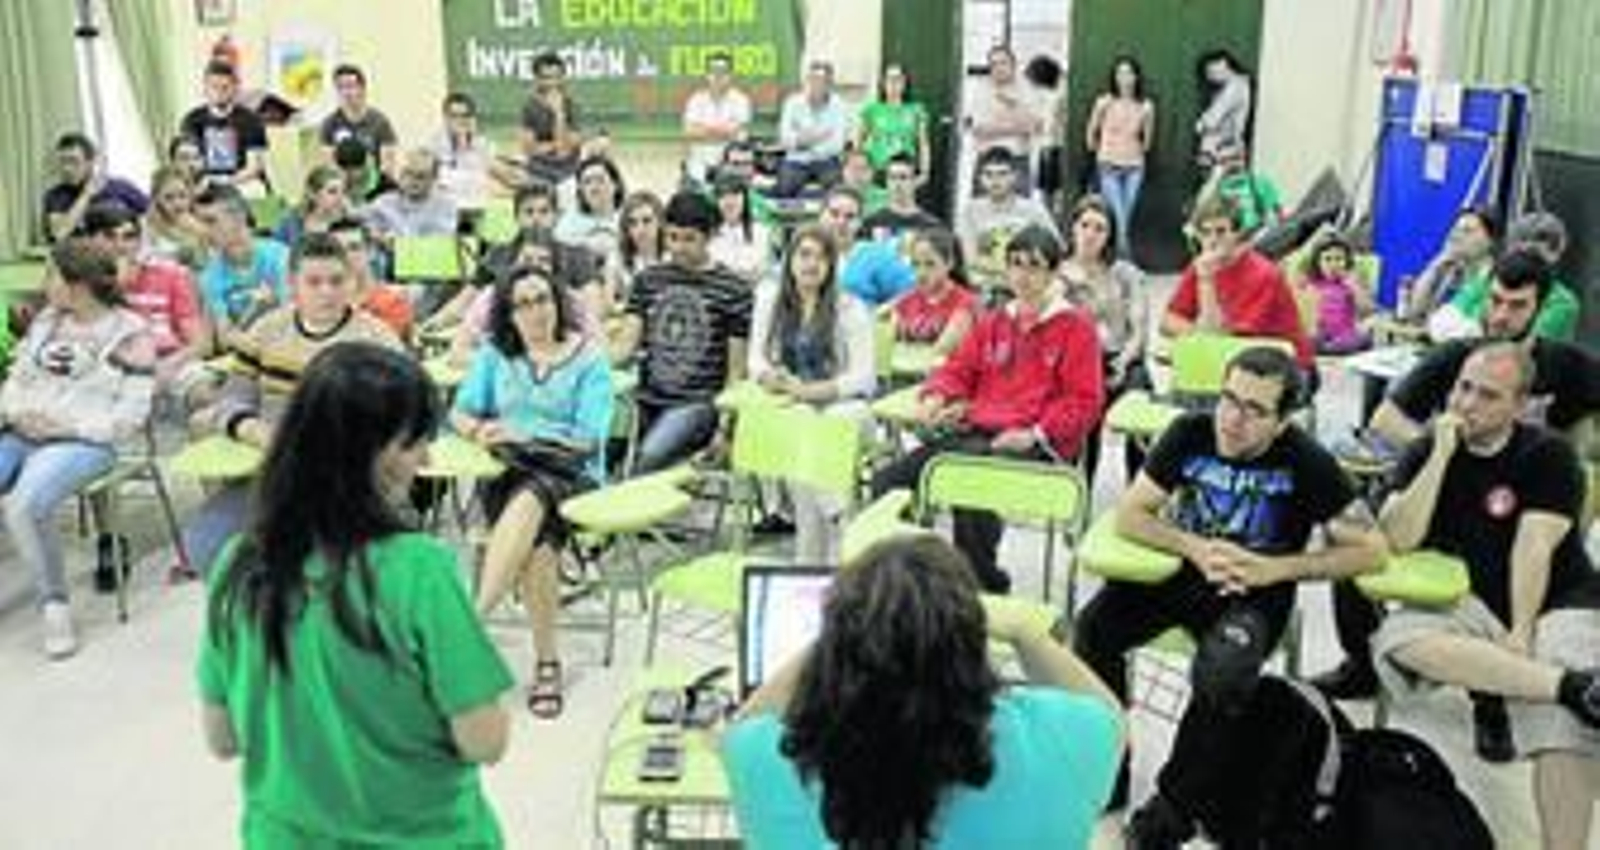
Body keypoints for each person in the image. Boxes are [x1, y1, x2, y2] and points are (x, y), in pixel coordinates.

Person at [197, 342, 513, 847]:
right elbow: (484, 740)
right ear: (365, 453)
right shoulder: (418, 571)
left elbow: (223, 738)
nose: (426, 457)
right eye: (412, 443)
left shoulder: (237, 567)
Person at [1071, 347, 1385, 845]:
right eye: (1228, 400)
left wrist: (1278, 568)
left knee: (1224, 671)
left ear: (1283, 421)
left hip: (1254, 590)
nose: (1233, 420)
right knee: (1092, 630)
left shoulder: (1306, 460)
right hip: (1182, 570)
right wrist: (1191, 545)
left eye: (1254, 410)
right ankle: (1112, 763)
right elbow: (1132, 513)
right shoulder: (1190, 433)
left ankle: (1175, 806)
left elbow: (1371, 551)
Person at [1316, 249, 1600, 701]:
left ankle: (1494, 695)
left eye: (1516, 305)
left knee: (1523, 563)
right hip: (1445, 489)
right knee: (1353, 535)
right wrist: (1440, 455)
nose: (1500, 315)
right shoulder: (1455, 358)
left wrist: (1581, 466)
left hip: (1529, 500)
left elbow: (1584, 431)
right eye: (1495, 301)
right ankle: (1361, 662)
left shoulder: (1567, 370)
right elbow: (1385, 418)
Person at [723, 534, 1124, 849]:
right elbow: (1109, 716)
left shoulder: (767, 760)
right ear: (972, 641)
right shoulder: (1061, 742)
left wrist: (851, 629)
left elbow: (747, 723)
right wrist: (1022, 631)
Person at [1371, 342, 1600, 850]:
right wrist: (1439, 456)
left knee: (1562, 728)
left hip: (1557, 600)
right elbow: (1397, 538)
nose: (1467, 404)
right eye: (1463, 388)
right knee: (1395, 639)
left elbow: (1533, 548)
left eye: (1488, 396)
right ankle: (1570, 685)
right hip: (1468, 599)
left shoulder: (1547, 454)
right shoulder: (1429, 446)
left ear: (1520, 406)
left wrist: (1520, 632)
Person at [870, 225, 1104, 592]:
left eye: (1034, 266)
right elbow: (958, 368)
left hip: (1038, 446)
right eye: (1015, 264)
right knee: (887, 482)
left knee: (966, 478)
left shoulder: (1076, 327)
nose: (1023, 276)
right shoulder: (997, 320)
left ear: (1053, 272)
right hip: (980, 434)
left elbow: (1084, 403)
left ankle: (981, 584)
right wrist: (937, 395)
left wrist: (1035, 434)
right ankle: (906, 580)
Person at [183, 234, 402, 576]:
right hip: (273, 473)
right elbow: (232, 400)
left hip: (347, 481)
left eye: (336, 281)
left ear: (353, 282)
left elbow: (398, 419)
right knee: (207, 545)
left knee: (315, 559)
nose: (326, 292)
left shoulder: (377, 340)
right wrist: (255, 431)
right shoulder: (267, 330)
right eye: (314, 282)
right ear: (292, 284)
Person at [454, 266, 612, 720]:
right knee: (540, 548)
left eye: (542, 299)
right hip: (508, 470)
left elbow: (586, 438)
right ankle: (547, 664)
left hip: (571, 473)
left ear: (558, 302)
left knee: (533, 500)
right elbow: (460, 413)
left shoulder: (589, 360)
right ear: (508, 313)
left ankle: (470, 624)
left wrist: (523, 431)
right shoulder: (495, 355)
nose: (535, 311)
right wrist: (481, 429)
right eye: (522, 304)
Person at [0, 239, 156, 658]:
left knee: (24, 504)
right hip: (23, 430)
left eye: (51, 274)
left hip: (83, 440)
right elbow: (16, 380)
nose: (44, 283)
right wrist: (16, 413)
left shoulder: (131, 334)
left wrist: (66, 425)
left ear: (77, 285)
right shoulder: (46, 321)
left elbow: (131, 416)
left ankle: (54, 605)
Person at [749, 226, 877, 561]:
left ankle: (832, 524)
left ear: (833, 265)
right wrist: (770, 376)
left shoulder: (851, 308)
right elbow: (755, 360)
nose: (811, 264)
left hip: (847, 409)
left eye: (822, 257)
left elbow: (865, 378)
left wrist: (814, 390)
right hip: (796, 408)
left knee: (821, 427)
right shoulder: (769, 299)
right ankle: (840, 524)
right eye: (804, 254)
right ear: (789, 259)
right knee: (802, 433)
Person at [613, 191, 752, 473]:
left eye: (689, 239)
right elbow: (624, 347)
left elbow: (736, 373)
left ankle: (632, 513)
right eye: (672, 237)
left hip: (698, 404)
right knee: (595, 450)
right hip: (645, 397)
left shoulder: (735, 290)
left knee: (646, 460)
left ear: (710, 235)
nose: (678, 247)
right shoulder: (648, 280)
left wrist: (726, 430)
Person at [1162, 193, 1314, 372]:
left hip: (1289, 368)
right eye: (1205, 232)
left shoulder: (1263, 275)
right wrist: (1198, 333)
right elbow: (1168, 321)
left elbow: (1218, 338)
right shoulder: (1201, 266)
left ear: (1237, 233)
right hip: (1242, 360)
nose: (1212, 240)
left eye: (1221, 231)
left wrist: (1207, 282)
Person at [1059, 194, 1148, 485]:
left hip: (1121, 357)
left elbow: (1139, 329)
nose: (1090, 235)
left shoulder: (1125, 273)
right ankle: (1079, 488)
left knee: (1140, 395)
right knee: (1085, 415)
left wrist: (1123, 361)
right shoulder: (1056, 274)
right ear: (1072, 227)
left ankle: (1138, 486)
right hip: (1078, 364)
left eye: (1100, 228)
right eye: (1085, 225)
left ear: (1110, 235)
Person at [81, 203, 207, 393]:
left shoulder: (170, 274)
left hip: (168, 358)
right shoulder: (80, 283)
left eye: (129, 237)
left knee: (200, 384)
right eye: (109, 236)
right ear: (90, 242)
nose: (120, 246)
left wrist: (170, 364)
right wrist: (115, 286)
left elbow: (199, 343)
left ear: (140, 241)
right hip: (107, 366)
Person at [1433, 212, 1582, 343]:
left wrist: (1470, 330)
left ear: (1556, 254)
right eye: (1521, 250)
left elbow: (1516, 349)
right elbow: (1440, 324)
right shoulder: (1487, 279)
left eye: (1537, 254)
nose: (1528, 260)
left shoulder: (1563, 303)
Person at [193, 184, 291, 351]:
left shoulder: (280, 257)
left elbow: (292, 317)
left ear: (239, 218)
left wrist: (242, 336)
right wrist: (254, 309)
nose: (202, 230)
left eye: (210, 221)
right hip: (250, 355)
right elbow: (224, 338)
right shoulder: (209, 276)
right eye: (200, 222)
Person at [956, 147, 1059, 289]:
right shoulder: (970, 211)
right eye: (989, 174)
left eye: (1002, 174)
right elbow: (970, 261)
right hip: (985, 288)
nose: (995, 180)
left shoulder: (1034, 210)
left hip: (1029, 288)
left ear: (1014, 177)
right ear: (980, 179)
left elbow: (1056, 252)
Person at [1085, 56, 1155, 257]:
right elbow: (1091, 134)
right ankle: (1125, 261)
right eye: (1120, 73)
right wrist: (1103, 151)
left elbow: (1147, 142)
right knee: (1118, 216)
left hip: (1134, 166)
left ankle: (1114, 259)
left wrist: (1134, 145)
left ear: (1136, 77)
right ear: (1114, 77)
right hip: (1108, 165)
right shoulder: (1104, 102)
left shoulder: (1146, 106)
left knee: (1126, 217)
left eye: (1129, 73)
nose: (1124, 78)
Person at [40, 132, 148, 243]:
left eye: (73, 161)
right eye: (63, 162)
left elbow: (152, 213)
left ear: (90, 162)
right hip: (80, 257)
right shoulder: (56, 195)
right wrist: (86, 194)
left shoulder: (119, 187)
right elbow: (59, 233)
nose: (67, 169)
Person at [178, 60, 269, 188]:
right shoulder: (191, 120)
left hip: (242, 181)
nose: (219, 92)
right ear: (205, 88)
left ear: (235, 88)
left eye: (225, 87)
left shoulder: (252, 120)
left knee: (255, 189)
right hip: (204, 180)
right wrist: (205, 180)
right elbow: (187, 161)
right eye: (214, 86)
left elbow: (255, 167)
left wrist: (225, 182)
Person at [821, 187, 916, 308]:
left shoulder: (877, 256)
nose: (841, 222)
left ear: (860, 223)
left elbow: (912, 292)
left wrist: (881, 313)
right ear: (821, 215)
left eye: (850, 217)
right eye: (834, 214)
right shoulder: (804, 253)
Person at [892, 227, 979, 356]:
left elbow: (939, 352)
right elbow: (886, 343)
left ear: (949, 263)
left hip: (946, 374)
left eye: (930, 264)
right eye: (915, 264)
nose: (921, 273)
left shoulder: (965, 303)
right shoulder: (906, 300)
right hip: (906, 372)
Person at [1402, 206, 1497, 323]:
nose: (1457, 236)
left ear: (1490, 240)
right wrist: (1436, 264)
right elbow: (1414, 311)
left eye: (1468, 231)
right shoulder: (1450, 270)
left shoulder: (1493, 279)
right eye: (1456, 230)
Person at [967, 44, 1045, 187]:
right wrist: (1017, 127)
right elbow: (979, 130)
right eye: (993, 64)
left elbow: (1037, 126)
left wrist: (1014, 105)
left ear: (1013, 65)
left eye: (1003, 62)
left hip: (1017, 160)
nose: (998, 68)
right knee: (981, 208)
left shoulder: (1027, 89)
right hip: (986, 161)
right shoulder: (981, 90)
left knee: (1021, 208)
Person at [328, 217, 414, 342]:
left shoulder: (393, 302)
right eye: (336, 250)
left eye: (354, 248)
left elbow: (382, 354)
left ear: (370, 252)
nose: (345, 256)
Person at [776, 60, 850, 198]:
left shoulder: (839, 106)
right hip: (796, 159)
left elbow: (837, 144)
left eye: (821, 80)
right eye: (812, 79)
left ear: (829, 84)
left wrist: (803, 141)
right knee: (784, 188)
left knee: (836, 190)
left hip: (826, 160)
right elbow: (785, 138)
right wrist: (818, 138)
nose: (815, 84)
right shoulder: (792, 103)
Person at [1292, 233, 1373, 355]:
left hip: (1343, 334)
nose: (1333, 264)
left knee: (1364, 339)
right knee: (1307, 339)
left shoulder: (1349, 283)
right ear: (1318, 262)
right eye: (1327, 259)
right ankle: (1323, 347)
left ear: (1347, 261)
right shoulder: (1312, 283)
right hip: (1320, 334)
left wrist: (1353, 286)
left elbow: (1366, 308)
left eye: (1339, 259)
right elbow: (1300, 307)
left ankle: (1328, 348)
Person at [512, 51, 584, 188]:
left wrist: (558, 113)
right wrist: (557, 144)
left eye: (557, 77)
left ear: (563, 78)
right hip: (539, 170)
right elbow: (528, 149)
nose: (552, 83)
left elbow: (564, 152)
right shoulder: (530, 107)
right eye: (546, 78)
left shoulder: (572, 106)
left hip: (569, 170)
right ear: (537, 80)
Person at [681, 51, 753, 185]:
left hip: (731, 164)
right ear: (706, 75)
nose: (717, 76)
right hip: (700, 162)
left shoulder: (741, 100)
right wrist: (723, 130)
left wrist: (704, 129)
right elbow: (689, 132)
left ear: (730, 75)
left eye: (723, 71)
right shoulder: (696, 100)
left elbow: (734, 133)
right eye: (713, 71)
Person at [317, 63, 399, 178]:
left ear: (362, 88)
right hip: (343, 186)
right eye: (340, 87)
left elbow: (387, 166)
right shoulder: (329, 123)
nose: (346, 92)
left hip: (374, 184)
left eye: (350, 86)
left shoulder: (380, 122)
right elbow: (328, 165)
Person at [365, 148, 460, 244]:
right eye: (408, 173)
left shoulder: (445, 206)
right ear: (401, 175)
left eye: (420, 176)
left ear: (434, 178)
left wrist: (396, 241)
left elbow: (439, 242)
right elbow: (368, 230)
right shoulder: (384, 203)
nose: (413, 181)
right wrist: (374, 235)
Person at [855, 62, 931, 178]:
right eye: (889, 79)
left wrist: (924, 172)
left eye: (898, 79)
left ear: (905, 83)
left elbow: (923, 144)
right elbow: (859, 142)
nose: (893, 84)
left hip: (904, 172)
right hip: (877, 170)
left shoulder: (916, 110)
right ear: (883, 83)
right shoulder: (872, 110)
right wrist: (859, 170)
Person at [429, 92, 498, 203]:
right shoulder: (434, 146)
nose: (460, 120)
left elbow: (498, 178)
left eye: (465, 115)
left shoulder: (483, 145)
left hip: (475, 207)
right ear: (445, 118)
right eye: (454, 116)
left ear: (473, 118)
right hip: (445, 209)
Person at [554, 155, 625, 259]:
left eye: (600, 180)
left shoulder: (630, 218)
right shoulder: (568, 224)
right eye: (587, 182)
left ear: (616, 185)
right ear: (581, 191)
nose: (594, 188)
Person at [861, 153, 942, 243]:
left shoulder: (931, 226)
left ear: (914, 181)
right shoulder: (872, 222)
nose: (897, 184)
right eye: (892, 177)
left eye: (903, 178)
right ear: (886, 182)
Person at [1195, 49, 1252, 174]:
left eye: (1211, 71)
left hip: (1221, 150)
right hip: (1227, 150)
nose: (1210, 76)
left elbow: (1210, 121)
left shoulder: (1234, 87)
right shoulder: (1238, 85)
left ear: (1223, 64)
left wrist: (1200, 124)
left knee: (1213, 190)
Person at [606, 190, 666, 310]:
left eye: (647, 221)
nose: (640, 230)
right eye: (633, 223)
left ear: (660, 222)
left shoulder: (672, 255)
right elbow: (609, 302)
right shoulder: (617, 256)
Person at [708, 173, 773, 284]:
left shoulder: (761, 232)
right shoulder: (707, 234)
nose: (729, 202)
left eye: (735, 194)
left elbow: (758, 271)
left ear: (745, 198)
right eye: (723, 196)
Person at [144, 165, 208, 270]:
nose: (177, 203)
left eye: (182, 195)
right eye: (169, 198)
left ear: (190, 195)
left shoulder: (202, 223)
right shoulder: (147, 228)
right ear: (157, 199)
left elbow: (206, 265)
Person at [272, 165, 350, 248]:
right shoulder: (290, 222)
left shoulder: (349, 224)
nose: (340, 198)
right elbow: (276, 253)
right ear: (312, 194)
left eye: (343, 192)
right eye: (332, 192)